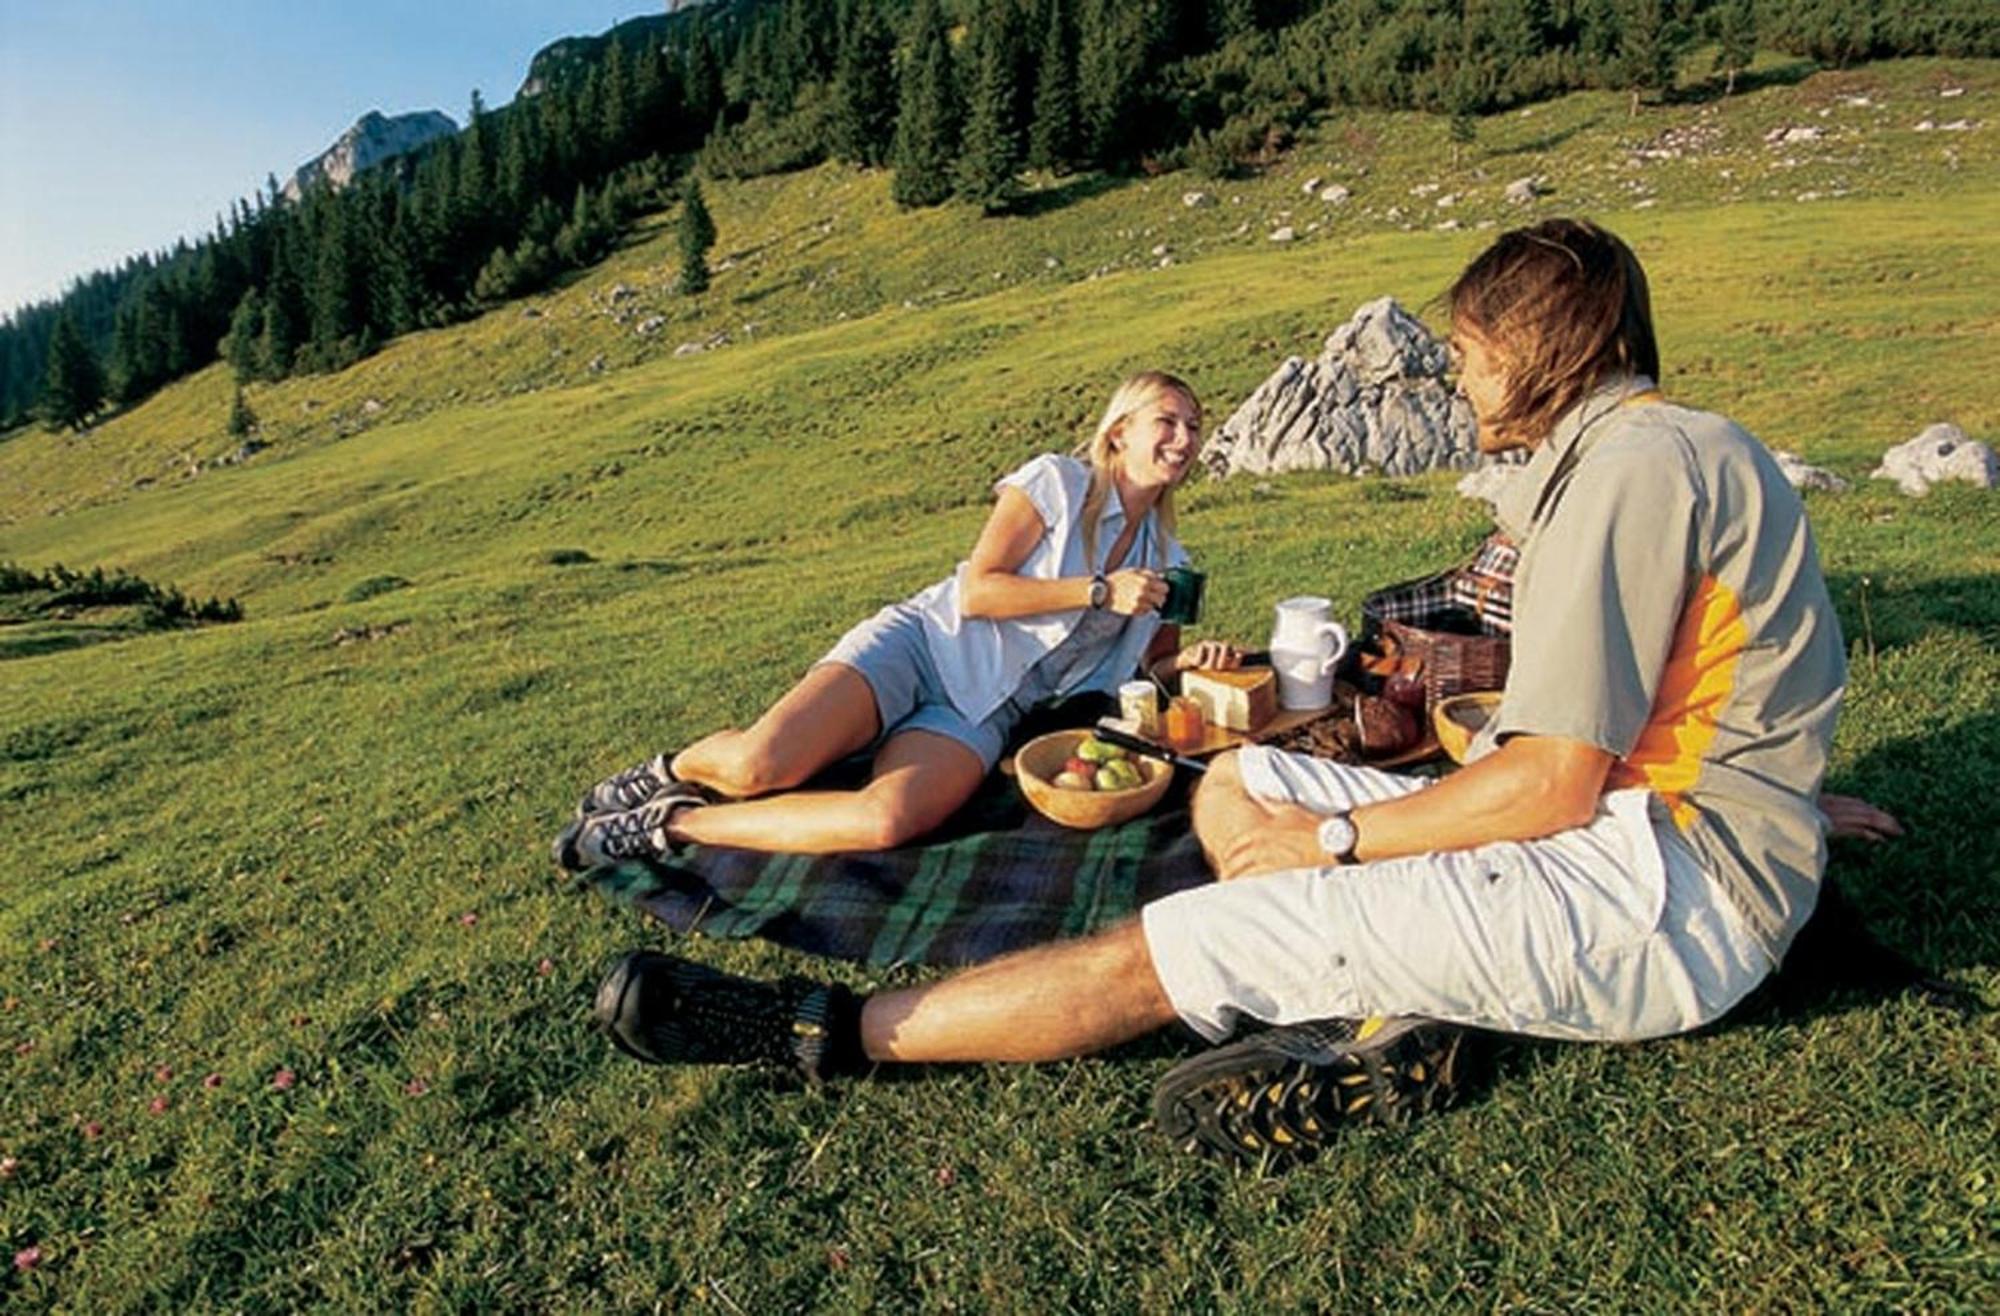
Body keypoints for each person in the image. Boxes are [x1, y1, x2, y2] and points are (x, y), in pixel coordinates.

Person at [585, 219, 1892, 1165]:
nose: (1461, 376)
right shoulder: (1674, 449)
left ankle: (830, 1032)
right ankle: (1390, 998)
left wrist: (1331, 842)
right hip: (1677, 837)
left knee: (1201, 933)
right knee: (1252, 774)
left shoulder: (1626, 467)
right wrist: (1775, 797)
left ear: (1555, 344)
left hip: (1660, 901)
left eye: (1474, 349)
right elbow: (1726, 682)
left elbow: (1550, 779)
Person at [552, 370, 1241, 868]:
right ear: (1120, 433)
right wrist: (1096, 591)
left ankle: (672, 825)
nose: (1186, 437)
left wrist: (1186, 663)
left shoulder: (1169, 555)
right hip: (923, 647)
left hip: (987, 711)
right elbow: (979, 592)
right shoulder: (1056, 481)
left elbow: (1147, 670)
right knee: (764, 762)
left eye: (1195, 426)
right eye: (1169, 421)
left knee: (886, 820)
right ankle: (671, 765)